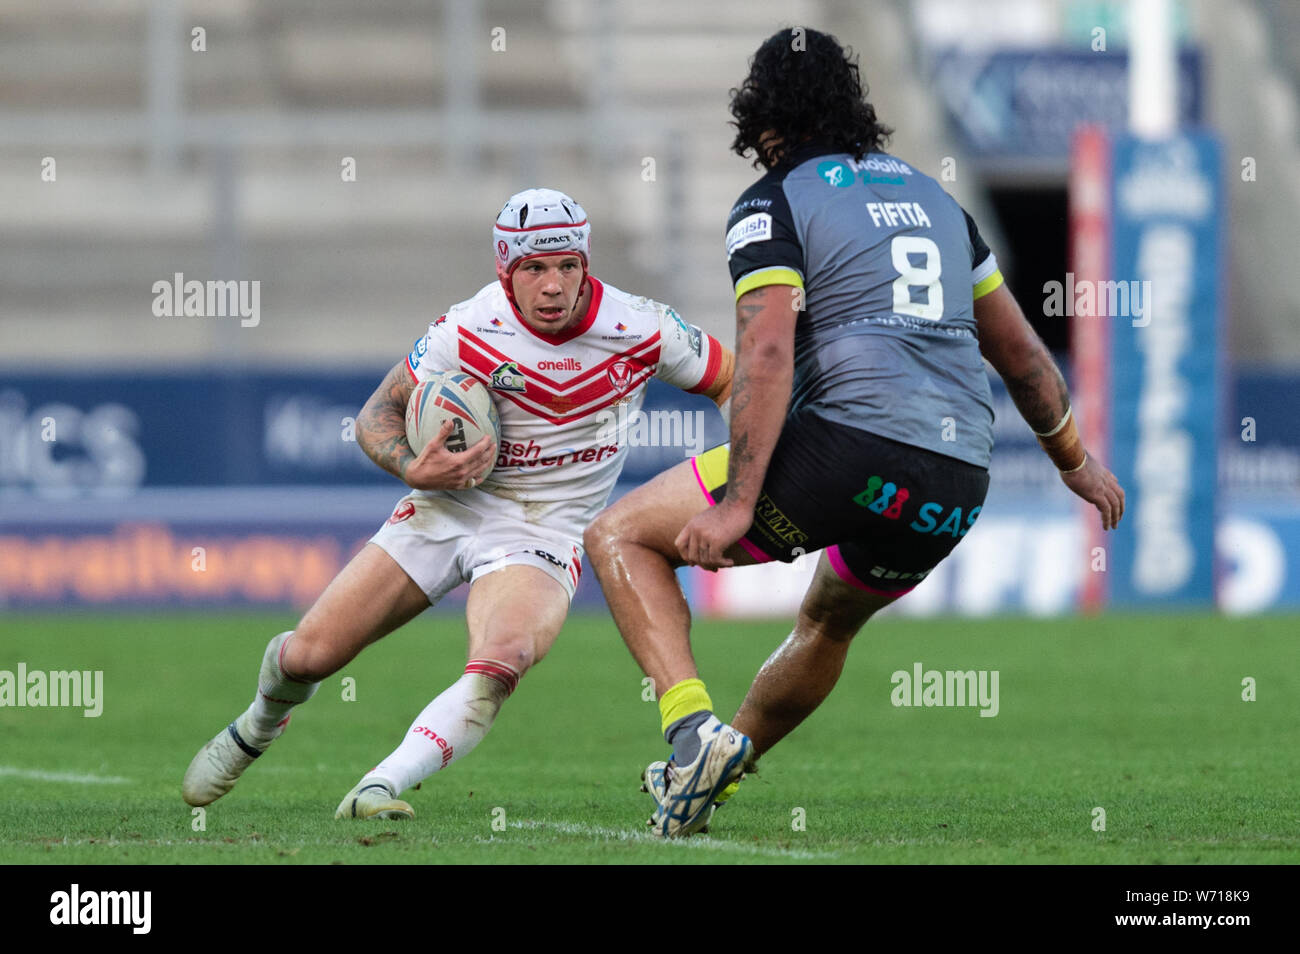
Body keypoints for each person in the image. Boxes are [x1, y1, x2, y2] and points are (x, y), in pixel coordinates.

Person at [583, 29, 1126, 838]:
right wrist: (1075, 462)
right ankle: (710, 779)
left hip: (848, 446)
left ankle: (694, 733)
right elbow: (1023, 357)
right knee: (829, 623)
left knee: (619, 535)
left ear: (761, 118)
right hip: (955, 480)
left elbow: (767, 351)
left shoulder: (774, 201)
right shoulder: (941, 203)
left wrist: (739, 502)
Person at [182, 188, 734, 819]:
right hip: (448, 509)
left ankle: (379, 787)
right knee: (310, 655)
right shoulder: (467, 327)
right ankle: (257, 726)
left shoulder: (641, 326)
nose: (553, 285)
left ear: (586, 264)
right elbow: (375, 416)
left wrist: (736, 489)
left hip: (546, 530)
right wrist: (410, 466)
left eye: (567, 265)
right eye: (534, 268)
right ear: (506, 270)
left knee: (506, 656)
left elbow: (731, 381)